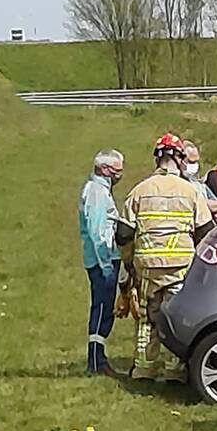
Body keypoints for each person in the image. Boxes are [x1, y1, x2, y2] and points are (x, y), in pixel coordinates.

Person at [120, 133, 214, 382]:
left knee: (146, 316)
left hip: (147, 266)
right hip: (181, 265)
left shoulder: (139, 190)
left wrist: (129, 264)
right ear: (179, 158)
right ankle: (175, 369)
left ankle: (143, 368)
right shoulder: (190, 191)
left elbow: (123, 234)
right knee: (178, 316)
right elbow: (207, 231)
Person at [78, 148, 125, 377]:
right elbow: (98, 233)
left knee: (106, 309)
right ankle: (96, 361)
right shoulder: (97, 192)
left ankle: (99, 357)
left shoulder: (100, 190)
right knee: (102, 309)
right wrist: (106, 265)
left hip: (103, 260)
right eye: (117, 170)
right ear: (104, 169)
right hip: (102, 262)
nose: (119, 174)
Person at [182, 139, 217, 219]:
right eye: (190, 162)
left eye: (195, 162)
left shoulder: (200, 185)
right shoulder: (173, 184)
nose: (194, 165)